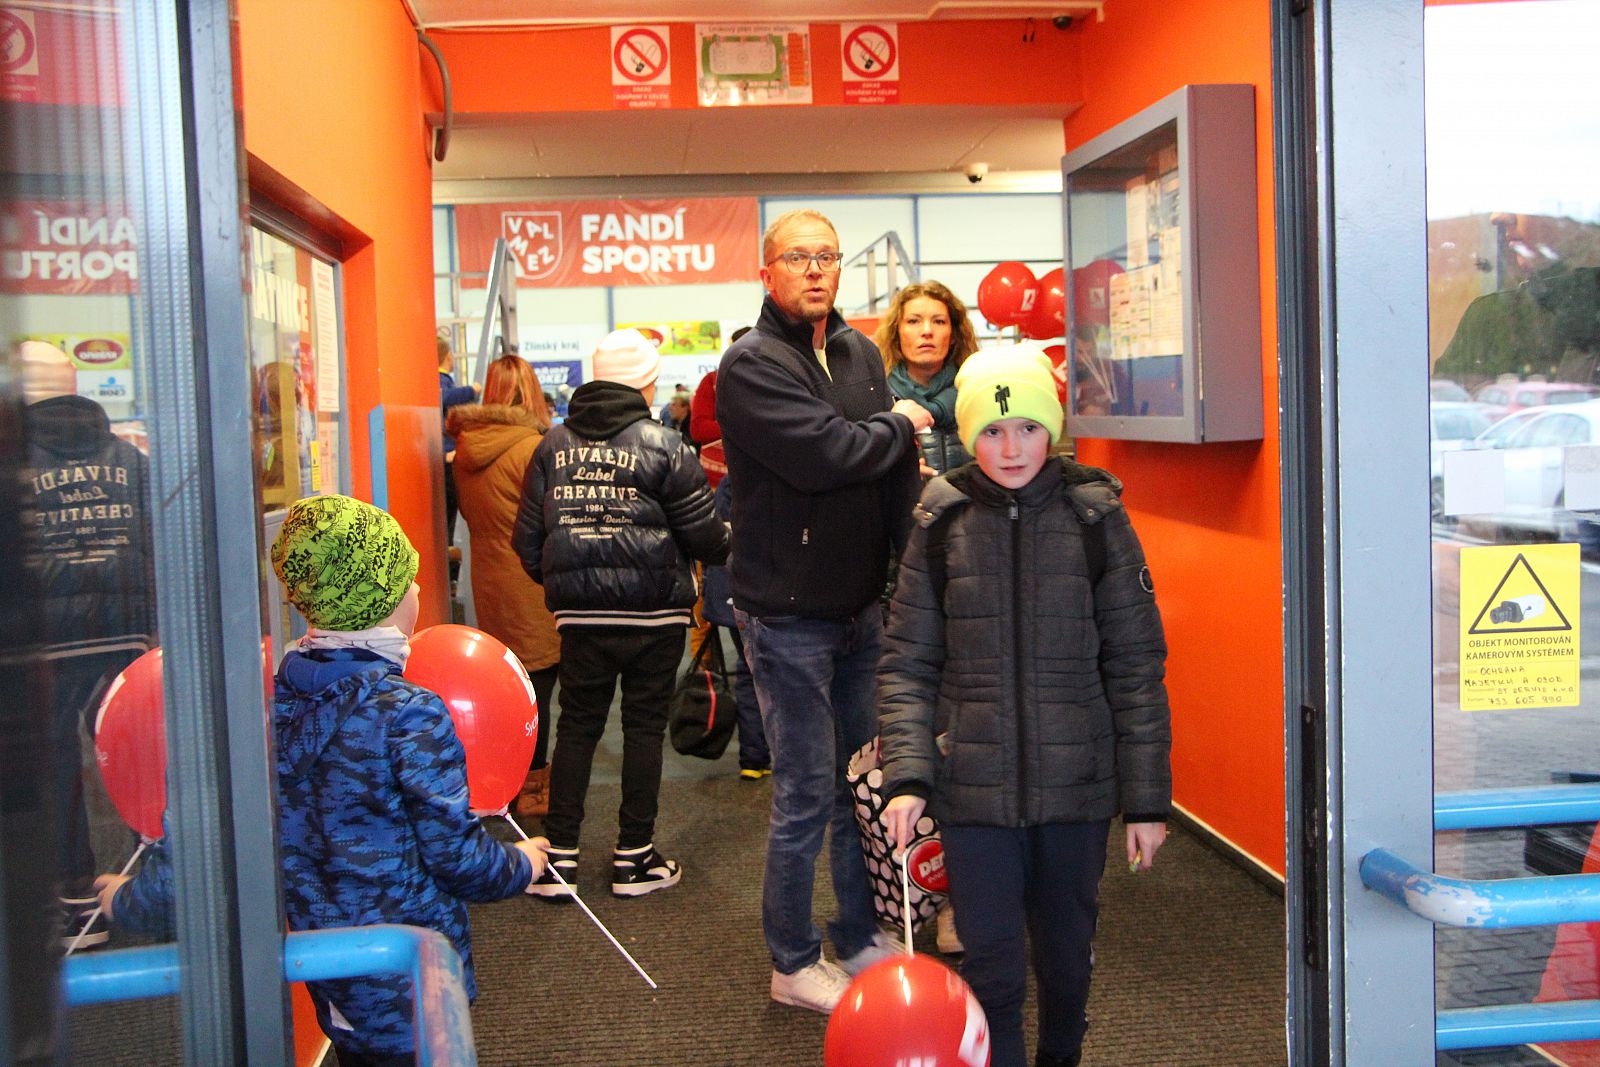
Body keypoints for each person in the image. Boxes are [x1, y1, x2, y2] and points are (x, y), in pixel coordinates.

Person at [98, 494, 549, 1067]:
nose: (417, 589)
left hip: (327, 967)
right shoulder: (409, 713)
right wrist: (522, 863)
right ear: (387, 600)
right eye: (407, 580)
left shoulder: (260, 710)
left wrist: (124, 900)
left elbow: (190, 858)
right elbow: (460, 862)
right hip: (413, 967)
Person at [877, 345, 1173, 1067]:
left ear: (1053, 429)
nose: (1011, 449)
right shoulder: (939, 522)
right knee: (994, 970)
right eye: (992, 431)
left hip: (1076, 788)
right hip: (973, 789)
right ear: (968, 434)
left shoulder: (1097, 518)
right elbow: (907, 664)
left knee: (1067, 962)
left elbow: (1136, 667)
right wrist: (908, 775)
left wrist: (1146, 801)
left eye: (1029, 429)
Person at [715, 208, 934, 1013]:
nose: (815, 270)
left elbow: (889, 475)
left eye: (828, 257)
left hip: (860, 608)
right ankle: (793, 959)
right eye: (798, 257)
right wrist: (897, 423)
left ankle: (859, 932)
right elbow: (825, 455)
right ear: (767, 271)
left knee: (860, 784)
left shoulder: (858, 352)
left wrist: (912, 573)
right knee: (806, 792)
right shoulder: (751, 363)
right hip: (787, 618)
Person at [513, 328, 728, 900]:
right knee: (643, 729)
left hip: (581, 618)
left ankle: (559, 860)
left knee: (577, 726)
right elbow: (707, 538)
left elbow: (527, 541)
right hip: (655, 614)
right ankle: (634, 859)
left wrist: (568, 587)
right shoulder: (665, 445)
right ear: (646, 384)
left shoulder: (552, 445)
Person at [21, 341, 156, 950]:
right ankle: (149, 892)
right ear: (74, 386)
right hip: (126, 640)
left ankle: (79, 906)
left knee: (53, 777)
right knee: (139, 765)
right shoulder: (130, 461)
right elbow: (161, 549)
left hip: (42, 650)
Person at [447, 355, 560, 817]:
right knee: (539, 688)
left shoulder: (465, 449)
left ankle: (506, 778)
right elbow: (550, 520)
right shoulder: (534, 448)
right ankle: (533, 787)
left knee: (507, 685)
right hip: (532, 581)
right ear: (530, 392)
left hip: (489, 578)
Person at [874, 280, 981, 475]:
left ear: (954, 335)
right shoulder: (876, 398)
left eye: (939, 321)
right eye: (913, 321)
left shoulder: (977, 393)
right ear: (897, 333)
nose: (927, 331)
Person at [439, 337, 478, 562]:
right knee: (449, 514)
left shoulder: (443, 381)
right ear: (448, 356)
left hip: (448, 454)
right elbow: (444, 397)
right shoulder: (441, 381)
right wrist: (472, 390)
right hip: (446, 456)